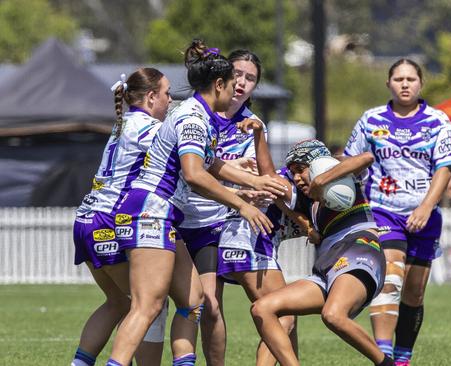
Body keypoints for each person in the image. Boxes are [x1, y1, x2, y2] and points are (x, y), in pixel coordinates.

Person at [106, 40, 285, 366]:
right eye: (233, 85)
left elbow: (211, 164)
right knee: (147, 306)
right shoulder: (193, 119)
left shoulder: (198, 114)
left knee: (193, 302)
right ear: (219, 85)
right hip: (151, 211)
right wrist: (241, 203)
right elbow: (193, 173)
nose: (238, 91)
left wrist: (255, 182)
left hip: (160, 213)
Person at [175, 49, 296, 366]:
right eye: (238, 75)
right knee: (208, 306)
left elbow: (266, 179)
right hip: (188, 220)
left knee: (277, 308)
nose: (242, 83)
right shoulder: (195, 116)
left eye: (251, 78)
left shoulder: (253, 125)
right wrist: (242, 184)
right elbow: (197, 170)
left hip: (232, 223)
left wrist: (254, 189)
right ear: (222, 79)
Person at [344, 58, 451, 365]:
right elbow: (349, 160)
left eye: (411, 79)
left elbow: (446, 167)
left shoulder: (438, 121)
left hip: (425, 216)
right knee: (389, 281)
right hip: (383, 212)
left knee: (414, 293)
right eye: (398, 79)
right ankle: (384, 355)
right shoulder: (371, 119)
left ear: (421, 84)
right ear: (388, 83)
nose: (405, 84)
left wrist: (425, 207)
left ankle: (403, 358)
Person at [251, 139, 394, 366]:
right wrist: (258, 133)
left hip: (359, 247)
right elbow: (271, 180)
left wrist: (321, 179)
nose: (296, 178)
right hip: (327, 264)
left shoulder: (344, 180)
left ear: (317, 165)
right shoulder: (306, 202)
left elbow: (366, 158)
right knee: (262, 308)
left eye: (300, 170)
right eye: (292, 173)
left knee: (333, 315)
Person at [71, 68, 172, 366]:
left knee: (119, 302)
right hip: (109, 221)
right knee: (149, 305)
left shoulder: (122, 123)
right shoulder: (151, 129)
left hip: (86, 219)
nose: (170, 101)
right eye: (167, 94)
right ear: (152, 96)